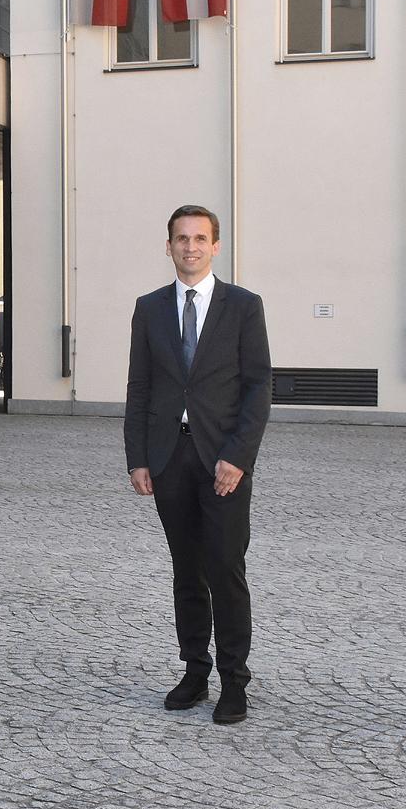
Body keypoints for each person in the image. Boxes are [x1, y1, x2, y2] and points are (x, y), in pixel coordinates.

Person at [123, 205, 270, 725]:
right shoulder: (149, 308)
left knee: (225, 569)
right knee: (186, 571)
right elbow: (139, 385)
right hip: (170, 458)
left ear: (215, 246)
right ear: (168, 246)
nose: (190, 247)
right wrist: (138, 458)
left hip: (223, 459)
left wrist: (238, 457)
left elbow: (258, 388)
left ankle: (234, 681)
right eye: (181, 239)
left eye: (200, 238)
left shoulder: (243, 307)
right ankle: (195, 670)